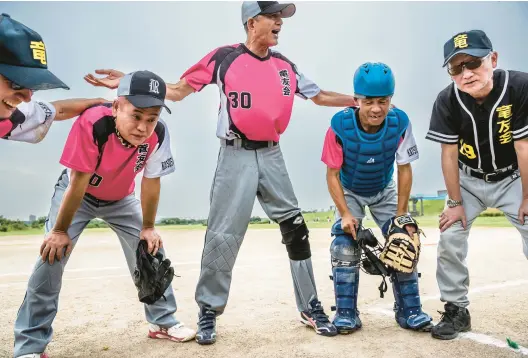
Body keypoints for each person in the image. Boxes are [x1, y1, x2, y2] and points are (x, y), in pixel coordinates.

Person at [84, 1, 359, 345]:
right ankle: (209, 310)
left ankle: (310, 306)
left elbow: (319, 96)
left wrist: (359, 100)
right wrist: (129, 82)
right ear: (251, 22)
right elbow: (179, 89)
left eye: (280, 18)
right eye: (272, 17)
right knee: (223, 236)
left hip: (273, 155)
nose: (279, 23)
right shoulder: (224, 58)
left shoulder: (285, 67)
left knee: (296, 229)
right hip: (235, 156)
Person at [13, 71, 195, 358]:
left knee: (151, 249)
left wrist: (148, 227)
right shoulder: (94, 123)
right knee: (51, 257)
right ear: (116, 107)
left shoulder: (158, 134)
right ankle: (30, 346)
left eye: (152, 118)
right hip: (79, 194)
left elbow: (151, 181)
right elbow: (78, 182)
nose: (143, 127)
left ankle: (163, 322)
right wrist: (59, 232)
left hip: (121, 199)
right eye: (136, 116)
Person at [425, 29, 528, 340]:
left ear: (492, 59)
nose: (466, 73)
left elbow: (524, 146)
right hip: (468, 181)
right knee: (450, 236)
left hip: (513, 177)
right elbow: (448, 153)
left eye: (473, 63)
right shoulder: (447, 99)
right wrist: (455, 203)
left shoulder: (520, 86)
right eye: (456, 68)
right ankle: (457, 310)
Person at [322, 62, 433, 334]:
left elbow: (404, 168)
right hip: (350, 190)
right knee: (344, 244)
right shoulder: (339, 126)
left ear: (390, 100)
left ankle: (410, 310)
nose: (376, 108)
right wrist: (346, 214)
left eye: (383, 101)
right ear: (357, 99)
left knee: (405, 238)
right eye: (368, 101)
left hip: (384, 189)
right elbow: (332, 175)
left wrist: (402, 214)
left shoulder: (400, 123)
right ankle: (347, 313)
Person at [0, 13, 105, 144]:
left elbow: (58, 110)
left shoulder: (14, 117)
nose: (27, 99)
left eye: (32, 87)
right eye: (16, 83)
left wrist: (103, 103)